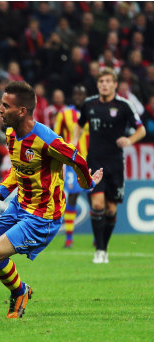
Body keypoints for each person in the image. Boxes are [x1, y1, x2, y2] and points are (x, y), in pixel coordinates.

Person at [0, 81, 103, 318]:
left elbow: (78, 160)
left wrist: (89, 183)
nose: (0, 110)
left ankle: (20, 291)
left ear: (22, 110)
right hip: (19, 204)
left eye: (5, 106)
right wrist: (1, 192)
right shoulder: (12, 133)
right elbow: (19, 168)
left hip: (42, 215)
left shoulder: (47, 140)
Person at [72, 68, 146, 264]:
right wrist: (73, 142)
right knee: (98, 204)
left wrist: (130, 140)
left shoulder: (124, 105)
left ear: (114, 84)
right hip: (94, 161)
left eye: (107, 81)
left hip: (115, 163)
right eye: (101, 81)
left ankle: (104, 247)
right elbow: (80, 124)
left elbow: (141, 129)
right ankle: (100, 250)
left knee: (111, 209)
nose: (104, 84)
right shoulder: (89, 104)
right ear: (98, 85)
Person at [53, 85, 89, 248]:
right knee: (73, 195)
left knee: (95, 197)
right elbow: (56, 136)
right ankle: (69, 237)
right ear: (72, 96)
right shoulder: (64, 114)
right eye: (76, 93)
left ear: (86, 95)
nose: (79, 96)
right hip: (72, 161)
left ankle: (98, 238)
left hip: (92, 159)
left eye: (81, 93)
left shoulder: (93, 111)